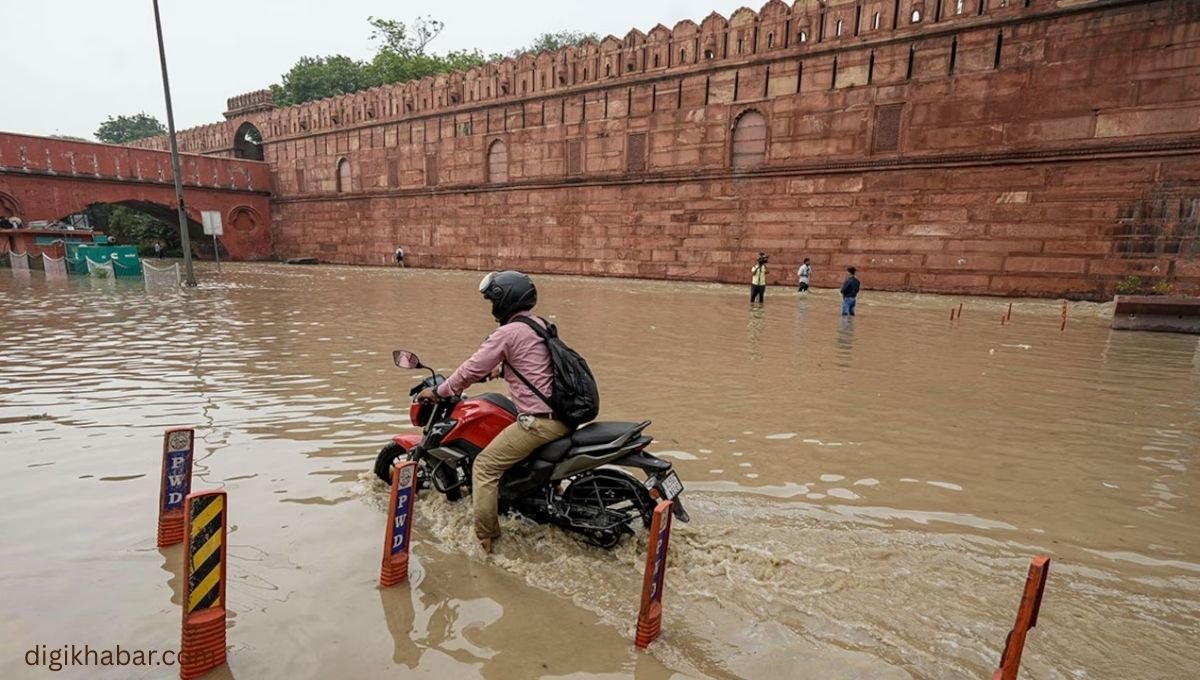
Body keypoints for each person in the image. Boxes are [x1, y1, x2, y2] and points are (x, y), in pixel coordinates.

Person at [416, 271, 568, 554]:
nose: (491, 307)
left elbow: (471, 368)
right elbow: (535, 365)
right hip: (562, 417)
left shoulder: (507, 332)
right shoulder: (539, 325)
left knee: (485, 467)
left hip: (539, 423)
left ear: (504, 299)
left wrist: (439, 391)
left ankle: (486, 538)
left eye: (492, 301)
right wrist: (500, 371)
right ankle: (545, 493)